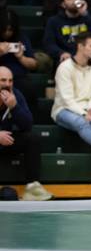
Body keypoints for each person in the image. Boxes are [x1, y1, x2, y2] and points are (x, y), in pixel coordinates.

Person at [51, 32, 91, 168]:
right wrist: (83, 113)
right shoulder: (64, 68)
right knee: (82, 122)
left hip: (88, 108)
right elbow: (67, 99)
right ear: (80, 46)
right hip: (64, 109)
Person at [0, 65, 50, 200]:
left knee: (32, 139)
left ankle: (33, 187)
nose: (7, 84)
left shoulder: (16, 95)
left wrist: (14, 107)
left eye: (10, 80)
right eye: (3, 80)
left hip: (6, 141)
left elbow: (27, 125)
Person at [42, 0, 91, 65]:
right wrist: (61, 53)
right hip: (67, 58)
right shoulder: (54, 21)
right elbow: (49, 44)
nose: (74, 0)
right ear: (63, 4)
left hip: (87, 57)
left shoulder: (87, 17)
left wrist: (85, 14)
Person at [0, 8, 36, 97]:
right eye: (4, 30)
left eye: (10, 30)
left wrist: (21, 57)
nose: (7, 33)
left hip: (18, 78)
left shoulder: (21, 37)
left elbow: (34, 64)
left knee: (28, 88)